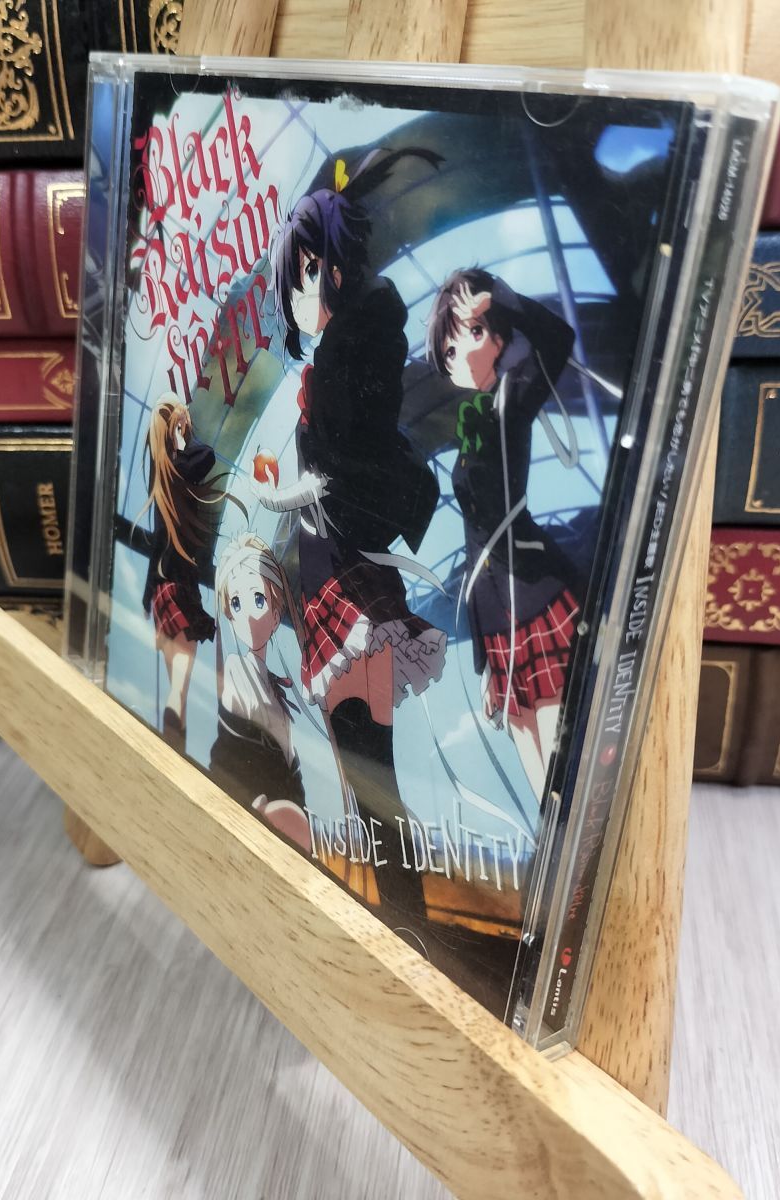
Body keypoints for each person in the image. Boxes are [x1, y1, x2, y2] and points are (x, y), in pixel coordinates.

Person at [254, 148, 445, 930]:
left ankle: (405, 931)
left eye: (305, 273)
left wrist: (282, 490)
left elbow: (339, 476)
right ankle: (401, 925)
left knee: (371, 781)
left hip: (348, 593)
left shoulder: (345, 362)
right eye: (293, 277)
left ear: (330, 269)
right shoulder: (335, 367)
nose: (297, 294)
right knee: (367, 779)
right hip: (334, 587)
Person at [425, 268, 580, 799]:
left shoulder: (513, 394)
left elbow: (558, 338)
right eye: (448, 349)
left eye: (472, 333)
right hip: (496, 614)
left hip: (533, 593)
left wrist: (502, 296)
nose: (460, 356)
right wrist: (486, 662)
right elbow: (474, 547)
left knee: (554, 745)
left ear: (496, 337)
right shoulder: (472, 420)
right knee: (526, 743)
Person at [139, 393, 231, 752]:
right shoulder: (181, 469)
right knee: (180, 684)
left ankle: (174, 743)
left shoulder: (162, 481)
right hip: (181, 588)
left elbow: (156, 545)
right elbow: (205, 456)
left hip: (162, 593)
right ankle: (174, 733)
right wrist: (182, 438)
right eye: (182, 421)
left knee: (177, 685)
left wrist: (147, 596)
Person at [209, 533, 310, 851]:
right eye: (236, 604)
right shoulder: (236, 670)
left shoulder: (276, 691)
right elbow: (229, 754)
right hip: (245, 816)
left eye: (258, 600)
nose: (249, 615)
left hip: (286, 828)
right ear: (229, 615)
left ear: (276, 614)